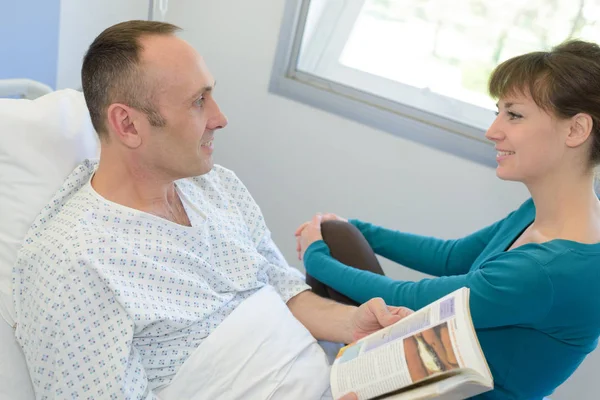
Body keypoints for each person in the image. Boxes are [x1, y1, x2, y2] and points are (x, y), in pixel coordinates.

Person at [12, 21, 411, 400]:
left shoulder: (215, 186)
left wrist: (351, 324)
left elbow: (279, 286)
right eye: (198, 102)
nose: (220, 118)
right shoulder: (74, 266)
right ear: (128, 126)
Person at [296, 39, 600, 400]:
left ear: (576, 130)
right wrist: (357, 230)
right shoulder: (543, 213)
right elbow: (452, 257)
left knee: (332, 255)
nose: (493, 131)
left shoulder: (550, 272)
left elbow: (410, 296)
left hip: (451, 389)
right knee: (337, 234)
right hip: (438, 363)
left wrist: (314, 254)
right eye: (497, 112)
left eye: (514, 115)